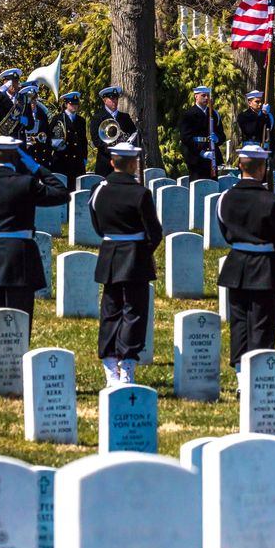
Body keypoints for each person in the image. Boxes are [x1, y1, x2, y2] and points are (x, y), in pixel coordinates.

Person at [0, 135, 69, 335]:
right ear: (17, 156)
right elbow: (61, 193)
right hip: (21, 255)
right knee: (19, 315)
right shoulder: (26, 183)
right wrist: (36, 168)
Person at [216, 144, 275, 396]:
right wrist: (272, 257)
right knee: (262, 324)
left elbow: (225, 230)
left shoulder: (226, 197)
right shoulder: (272, 200)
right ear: (262, 168)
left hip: (236, 265)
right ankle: (255, 377)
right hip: (265, 268)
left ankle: (241, 378)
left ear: (241, 166)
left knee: (239, 323)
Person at [88, 141, 163, 386]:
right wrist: (142, 250)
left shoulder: (99, 190)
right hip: (135, 255)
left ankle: (110, 365)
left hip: (110, 252)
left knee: (110, 309)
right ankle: (127, 363)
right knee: (134, 311)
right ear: (133, 164)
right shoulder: (141, 193)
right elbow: (154, 231)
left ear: (112, 162)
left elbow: (98, 224)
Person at [179, 86, 226, 181]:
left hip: (212, 157)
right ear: (196, 96)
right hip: (196, 157)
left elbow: (222, 135)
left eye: (208, 95)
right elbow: (186, 138)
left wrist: (217, 139)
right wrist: (202, 153)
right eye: (203, 95)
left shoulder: (214, 114)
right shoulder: (189, 115)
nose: (206, 98)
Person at [89, 86, 138, 176]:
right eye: (111, 99)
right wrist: (114, 150)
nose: (114, 101)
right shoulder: (97, 118)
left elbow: (134, 134)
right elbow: (97, 141)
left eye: (116, 98)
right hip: (105, 162)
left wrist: (127, 146)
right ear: (104, 100)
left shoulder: (125, 117)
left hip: (123, 162)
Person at [49, 92, 89, 189]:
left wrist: (84, 156)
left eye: (76, 103)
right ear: (66, 104)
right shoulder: (58, 119)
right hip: (63, 161)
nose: (75, 106)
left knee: (76, 189)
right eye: (72, 103)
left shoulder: (81, 120)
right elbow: (52, 138)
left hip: (77, 162)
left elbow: (83, 141)